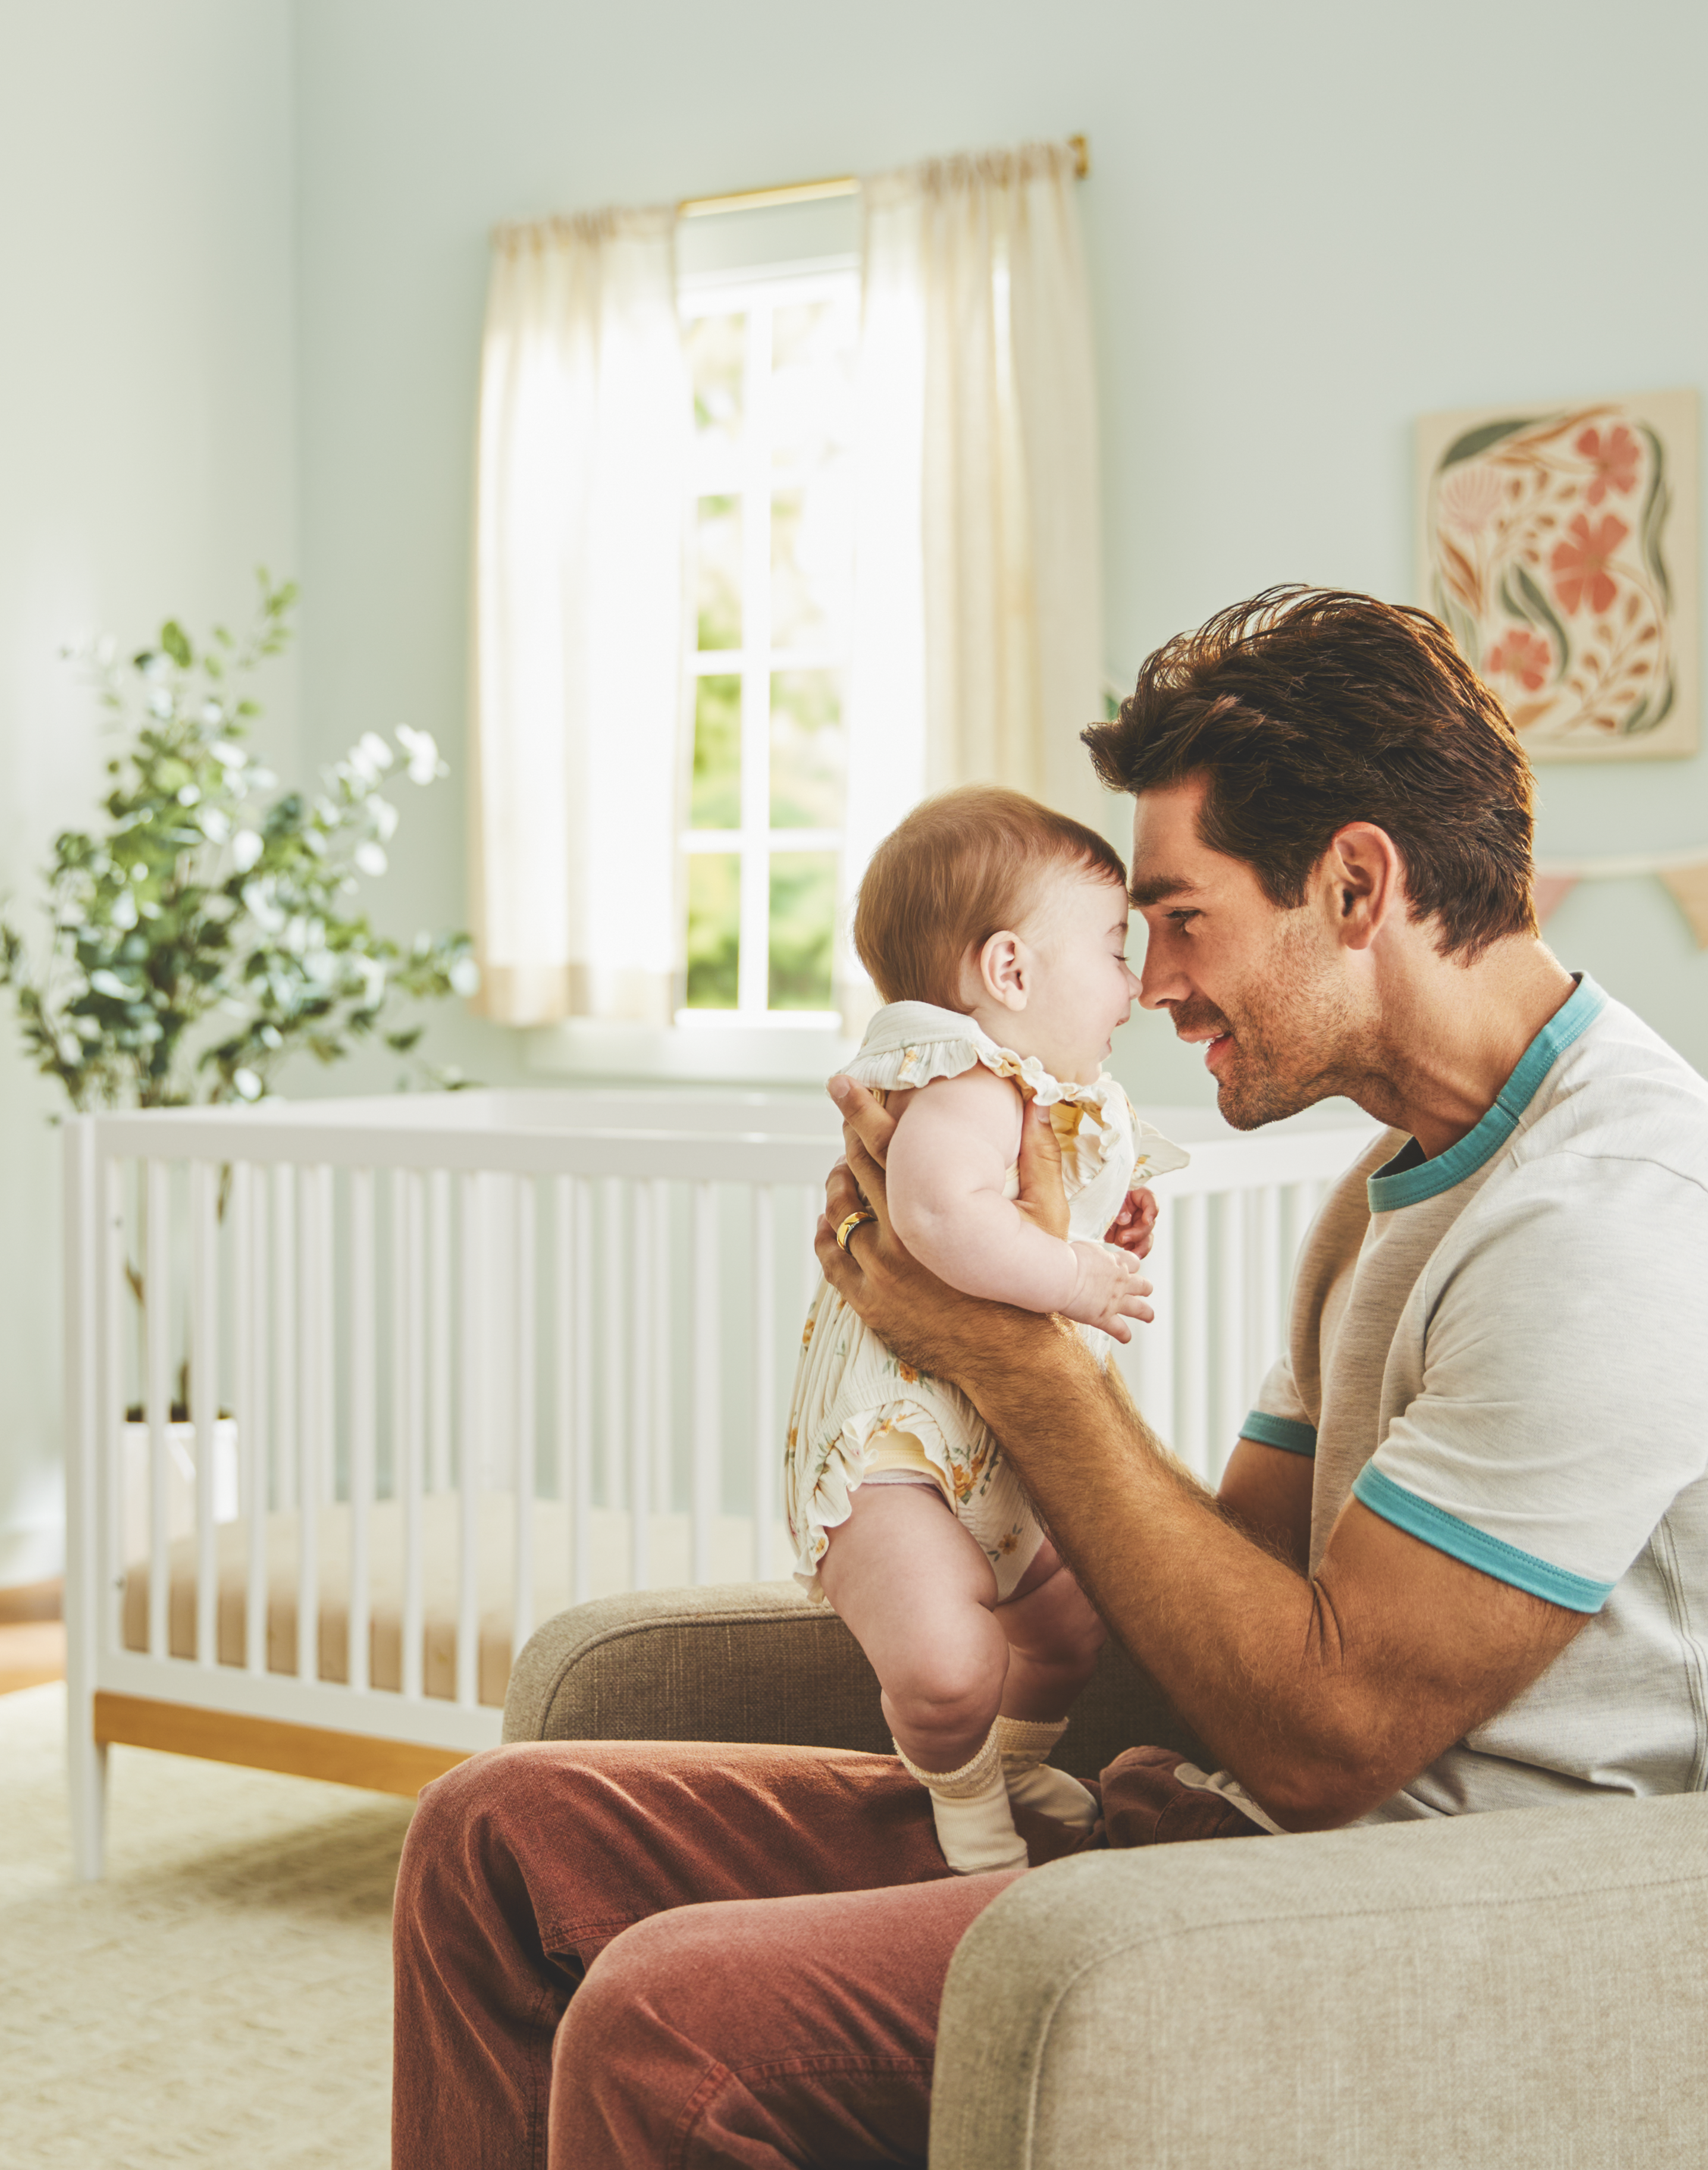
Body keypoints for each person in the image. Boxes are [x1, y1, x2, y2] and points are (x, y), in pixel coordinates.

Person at [391, 588, 1708, 2167]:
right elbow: (1229, 1591)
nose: (1148, 984)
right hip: (1225, 1835)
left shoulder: (1614, 1215)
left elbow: (1326, 1732)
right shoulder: (1393, 1188)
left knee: (675, 2025)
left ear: (1358, 882)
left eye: (1183, 917)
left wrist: (1001, 1346)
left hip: (1410, 1921)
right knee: (496, 1842)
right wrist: (977, 1292)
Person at [785, 784, 1183, 1874]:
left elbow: (1019, 1210)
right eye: (1113, 950)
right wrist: (1070, 1272)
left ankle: (1011, 1761)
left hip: (991, 1452)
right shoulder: (963, 1076)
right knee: (949, 1662)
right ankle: (962, 1797)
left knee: (1066, 1634)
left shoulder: (1039, 1093)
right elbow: (940, 1217)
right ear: (1009, 972)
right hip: (899, 1462)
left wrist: (1108, 1219)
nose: (1137, 987)